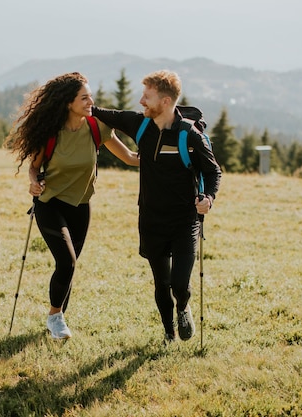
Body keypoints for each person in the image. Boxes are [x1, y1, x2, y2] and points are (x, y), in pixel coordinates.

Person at [5, 72, 139, 340]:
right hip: (50, 204)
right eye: (84, 97)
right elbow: (34, 168)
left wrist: (171, 156)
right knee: (66, 261)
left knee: (70, 265)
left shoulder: (96, 127)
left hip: (81, 205)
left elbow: (130, 158)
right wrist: (33, 183)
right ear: (68, 102)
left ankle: (57, 315)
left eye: (90, 95)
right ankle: (55, 317)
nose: (92, 101)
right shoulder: (51, 133)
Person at [92, 70, 221, 343]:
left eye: (147, 97)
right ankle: (168, 332)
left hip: (185, 221)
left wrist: (208, 198)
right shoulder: (140, 126)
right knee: (161, 283)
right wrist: (77, 102)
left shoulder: (190, 136)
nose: (141, 102)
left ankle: (183, 307)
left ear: (165, 101)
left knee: (179, 284)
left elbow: (213, 172)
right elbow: (104, 113)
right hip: (151, 219)